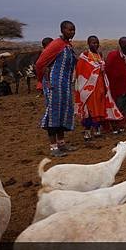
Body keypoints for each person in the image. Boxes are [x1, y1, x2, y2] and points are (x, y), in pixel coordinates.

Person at [35, 21, 77, 157]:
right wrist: (43, 81)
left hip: (64, 85)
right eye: (69, 30)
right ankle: (53, 148)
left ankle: (62, 143)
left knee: (63, 112)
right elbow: (40, 63)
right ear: (62, 30)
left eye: (73, 30)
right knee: (53, 113)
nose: (72, 32)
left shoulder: (67, 45)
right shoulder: (56, 44)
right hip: (53, 85)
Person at [75, 36, 123, 141]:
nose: (95, 45)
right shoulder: (84, 56)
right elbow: (80, 70)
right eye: (93, 43)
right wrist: (95, 69)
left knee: (99, 108)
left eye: (97, 43)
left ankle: (97, 129)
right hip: (89, 88)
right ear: (88, 43)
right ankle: (87, 132)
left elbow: (103, 71)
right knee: (90, 109)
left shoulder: (99, 55)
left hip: (100, 86)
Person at [105, 37, 126, 134]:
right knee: (116, 107)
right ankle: (114, 128)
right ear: (121, 45)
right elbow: (107, 70)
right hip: (115, 88)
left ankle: (121, 127)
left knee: (125, 108)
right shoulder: (113, 55)